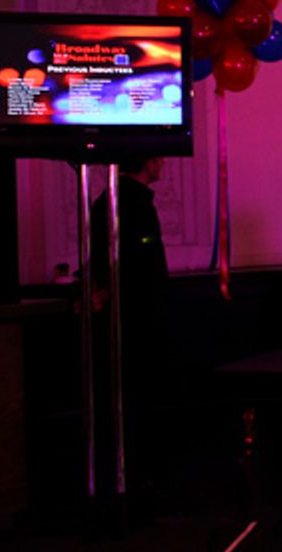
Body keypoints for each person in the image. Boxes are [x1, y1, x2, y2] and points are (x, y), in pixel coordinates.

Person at [90, 154, 169, 513]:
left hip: (123, 318)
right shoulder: (134, 204)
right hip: (138, 319)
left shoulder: (106, 200)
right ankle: (137, 484)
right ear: (147, 162)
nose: (163, 164)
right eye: (159, 158)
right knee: (138, 403)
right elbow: (142, 263)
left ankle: (127, 482)